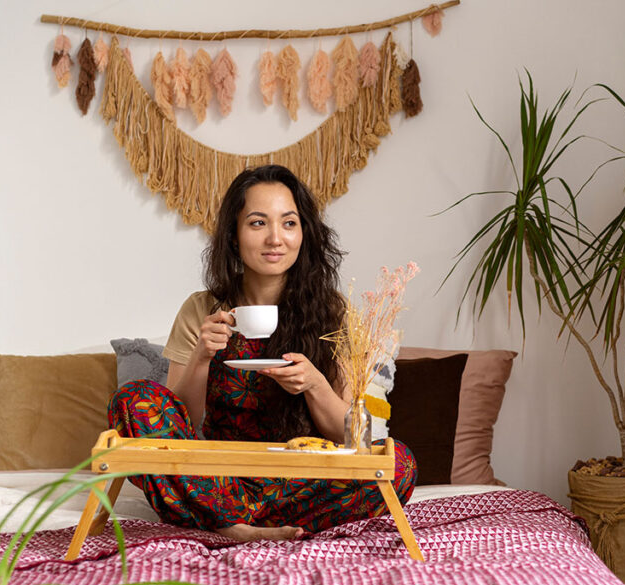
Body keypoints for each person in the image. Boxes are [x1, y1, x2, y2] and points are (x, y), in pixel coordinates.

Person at [107, 164, 416, 542]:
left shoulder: (333, 312)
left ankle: (216, 520)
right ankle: (233, 527)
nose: (275, 238)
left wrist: (315, 385)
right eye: (257, 223)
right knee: (135, 398)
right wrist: (203, 355)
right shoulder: (201, 309)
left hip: (299, 482)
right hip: (217, 479)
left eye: (289, 223)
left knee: (396, 461)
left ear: (304, 233)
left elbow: (352, 437)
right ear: (235, 236)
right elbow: (179, 425)